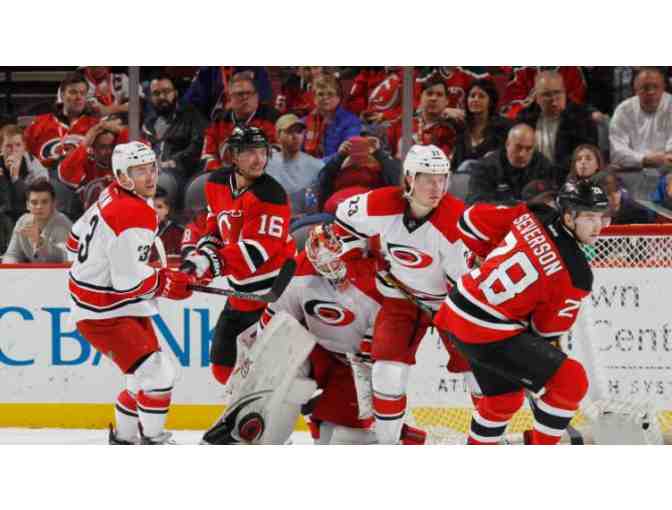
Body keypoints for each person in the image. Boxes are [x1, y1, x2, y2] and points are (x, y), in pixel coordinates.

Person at [435, 180, 611, 445]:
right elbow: (544, 331)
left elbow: (469, 221)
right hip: (488, 331)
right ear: (568, 216)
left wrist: (487, 257)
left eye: (601, 216)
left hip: (456, 310)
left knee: (503, 400)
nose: (598, 226)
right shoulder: (577, 274)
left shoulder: (535, 214)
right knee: (571, 381)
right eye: (588, 217)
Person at [333, 144, 470, 444]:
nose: (437, 187)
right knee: (386, 375)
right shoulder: (382, 204)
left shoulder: (456, 221)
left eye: (442, 178)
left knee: (480, 376)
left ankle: (487, 442)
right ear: (409, 178)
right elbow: (343, 217)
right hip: (401, 300)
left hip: (451, 305)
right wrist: (355, 258)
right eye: (428, 179)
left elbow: (464, 287)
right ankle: (389, 445)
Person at [66, 141, 194, 445]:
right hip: (104, 311)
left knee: (143, 376)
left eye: (152, 168)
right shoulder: (134, 212)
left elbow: (73, 240)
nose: (150, 177)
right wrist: (164, 282)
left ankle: (124, 440)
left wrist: (108, 261)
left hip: (106, 302)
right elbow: (129, 282)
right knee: (158, 375)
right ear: (123, 176)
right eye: (140, 171)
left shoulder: (111, 192)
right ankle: (154, 440)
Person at [255, 224, 413, 444]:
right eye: (322, 262)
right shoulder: (300, 272)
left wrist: (369, 389)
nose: (330, 268)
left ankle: (402, 439)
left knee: (341, 438)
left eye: (335, 260)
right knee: (287, 385)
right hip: (316, 350)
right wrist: (259, 353)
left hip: (355, 363)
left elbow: (382, 345)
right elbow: (274, 321)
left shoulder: (378, 278)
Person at [183, 126, 294, 387]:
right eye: (250, 153)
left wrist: (209, 263)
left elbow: (254, 253)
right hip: (239, 294)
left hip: (275, 295)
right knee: (222, 369)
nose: (259, 160)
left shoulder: (271, 195)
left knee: (272, 378)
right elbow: (215, 227)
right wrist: (202, 255)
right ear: (234, 156)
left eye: (263, 152)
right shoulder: (217, 183)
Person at [517, 71, 598, 179]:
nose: (553, 99)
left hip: (569, 178)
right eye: (547, 95)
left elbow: (586, 156)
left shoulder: (581, 118)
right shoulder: (525, 117)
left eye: (557, 93)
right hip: (530, 179)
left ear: (564, 92)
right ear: (536, 97)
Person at [143, 74, 208, 207]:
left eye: (166, 91)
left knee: (162, 181)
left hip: (183, 176)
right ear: (150, 97)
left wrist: (173, 162)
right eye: (156, 93)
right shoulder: (148, 123)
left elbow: (197, 146)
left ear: (175, 93)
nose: (162, 97)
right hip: (154, 174)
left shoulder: (192, 116)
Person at [609, 67, 672, 193]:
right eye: (645, 87)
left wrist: (660, 160)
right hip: (631, 172)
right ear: (635, 90)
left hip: (667, 173)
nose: (651, 92)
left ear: (663, 87)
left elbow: (669, 156)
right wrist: (644, 159)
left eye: (656, 87)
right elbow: (617, 153)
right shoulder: (623, 110)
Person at [200, 74, 278, 171]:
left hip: (262, 174)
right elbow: (207, 155)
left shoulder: (272, 118)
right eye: (239, 94)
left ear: (257, 96)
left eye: (249, 93)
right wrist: (222, 173)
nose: (245, 97)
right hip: (223, 174)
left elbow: (278, 155)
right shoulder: (218, 120)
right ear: (229, 98)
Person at [466, 124, 557, 204]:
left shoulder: (543, 165)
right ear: (507, 144)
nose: (522, 154)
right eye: (518, 147)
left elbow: (550, 199)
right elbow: (476, 202)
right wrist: (514, 206)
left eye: (528, 149)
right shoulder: (485, 167)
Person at [24, 71, 99, 169]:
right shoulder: (39, 124)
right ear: (62, 95)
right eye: (73, 92)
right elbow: (24, 158)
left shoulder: (95, 126)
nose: (79, 97)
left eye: (82, 93)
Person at [58, 117, 128, 210]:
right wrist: (86, 142)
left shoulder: (122, 161)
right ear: (93, 148)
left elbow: (138, 145)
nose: (108, 151)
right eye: (102, 147)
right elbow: (65, 174)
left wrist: (120, 130)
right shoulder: (87, 165)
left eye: (111, 146)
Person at [318, 135, 401, 211]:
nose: (359, 154)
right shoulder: (339, 166)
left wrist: (379, 154)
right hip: (336, 210)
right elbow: (323, 179)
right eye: (355, 147)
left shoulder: (379, 168)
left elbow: (397, 181)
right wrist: (340, 156)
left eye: (363, 147)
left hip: (367, 210)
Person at [264, 114, 324, 219]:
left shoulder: (317, 166)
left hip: (303, 221)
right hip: (272, 219)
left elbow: (317, 204)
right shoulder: (265, 163)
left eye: (299, 132)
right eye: (289, 132)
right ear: (278, 135)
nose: (295, 136)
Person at [386, 77, 458, 159]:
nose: (433, 98)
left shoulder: (450, 131)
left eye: (439, 95)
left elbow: (441, 161)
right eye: (429, 94)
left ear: (447, 101)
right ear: (420, 97)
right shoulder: (400, 124)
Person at [2, 178, 72, 263]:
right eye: (34, 202)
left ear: (53, 204)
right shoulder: (22, 221)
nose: (39, 207)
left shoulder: (63, 223)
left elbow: (64, 258)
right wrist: (11, 267)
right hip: (31, 271)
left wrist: (40, 242)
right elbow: (12, 255)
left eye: (44, 202)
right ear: (27, 205)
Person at [452, 78, 512, 170]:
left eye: (481, 96)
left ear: (491, 101)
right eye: (472, 96)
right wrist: (445, 111)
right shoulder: (461, 127)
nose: (475, 99)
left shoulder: (504, 127)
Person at [303, 74, 362, 160]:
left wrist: (315, 164)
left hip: (336, 167)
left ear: (339, 97)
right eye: (320, 94)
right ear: (314, 98)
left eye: (330, 94)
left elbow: (346, 155)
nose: (325, 98)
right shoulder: (304, 122)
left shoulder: (351, 122)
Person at [0, 125, 49, 223]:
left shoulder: (36, 168)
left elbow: (37, 201)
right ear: (1, 148)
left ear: (24, 147)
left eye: (18, 145)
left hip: (28, 217)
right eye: (8, 146)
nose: (14, 150)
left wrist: (15, 178)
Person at [501, 66, 587, 119]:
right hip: (531, 123)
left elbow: (577, 105)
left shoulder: (572, 71)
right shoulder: (524, 74)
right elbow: (508, 111)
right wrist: (528, 103)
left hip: (564, 122)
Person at [150, 187, 185, 263]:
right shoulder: (136, 231)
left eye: (159, 207)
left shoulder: (178, 234)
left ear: (167, 210)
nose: (154, 210)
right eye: (150, 206)